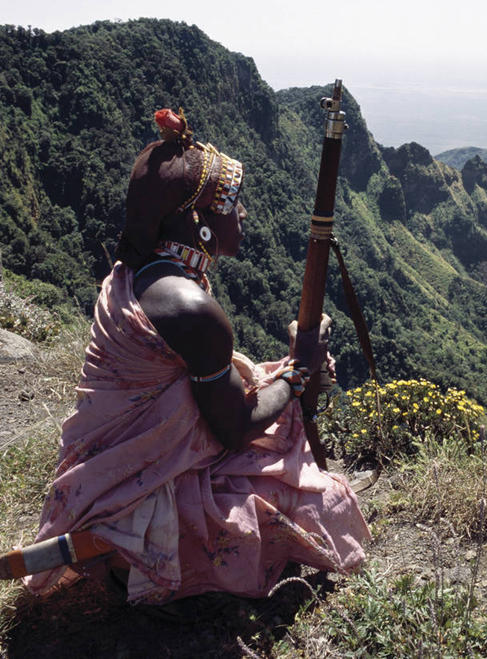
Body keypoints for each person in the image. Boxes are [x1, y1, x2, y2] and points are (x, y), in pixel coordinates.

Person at [25, 109, 370, 604]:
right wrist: (298, 371)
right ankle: (155, 569)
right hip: (135, 516)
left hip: (102, 488)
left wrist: (288, 373)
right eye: (231, 202)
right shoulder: (191, 308)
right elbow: (232, 428)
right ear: (196, 221)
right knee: (326, 501)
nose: (244, 212)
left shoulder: (142, 275)